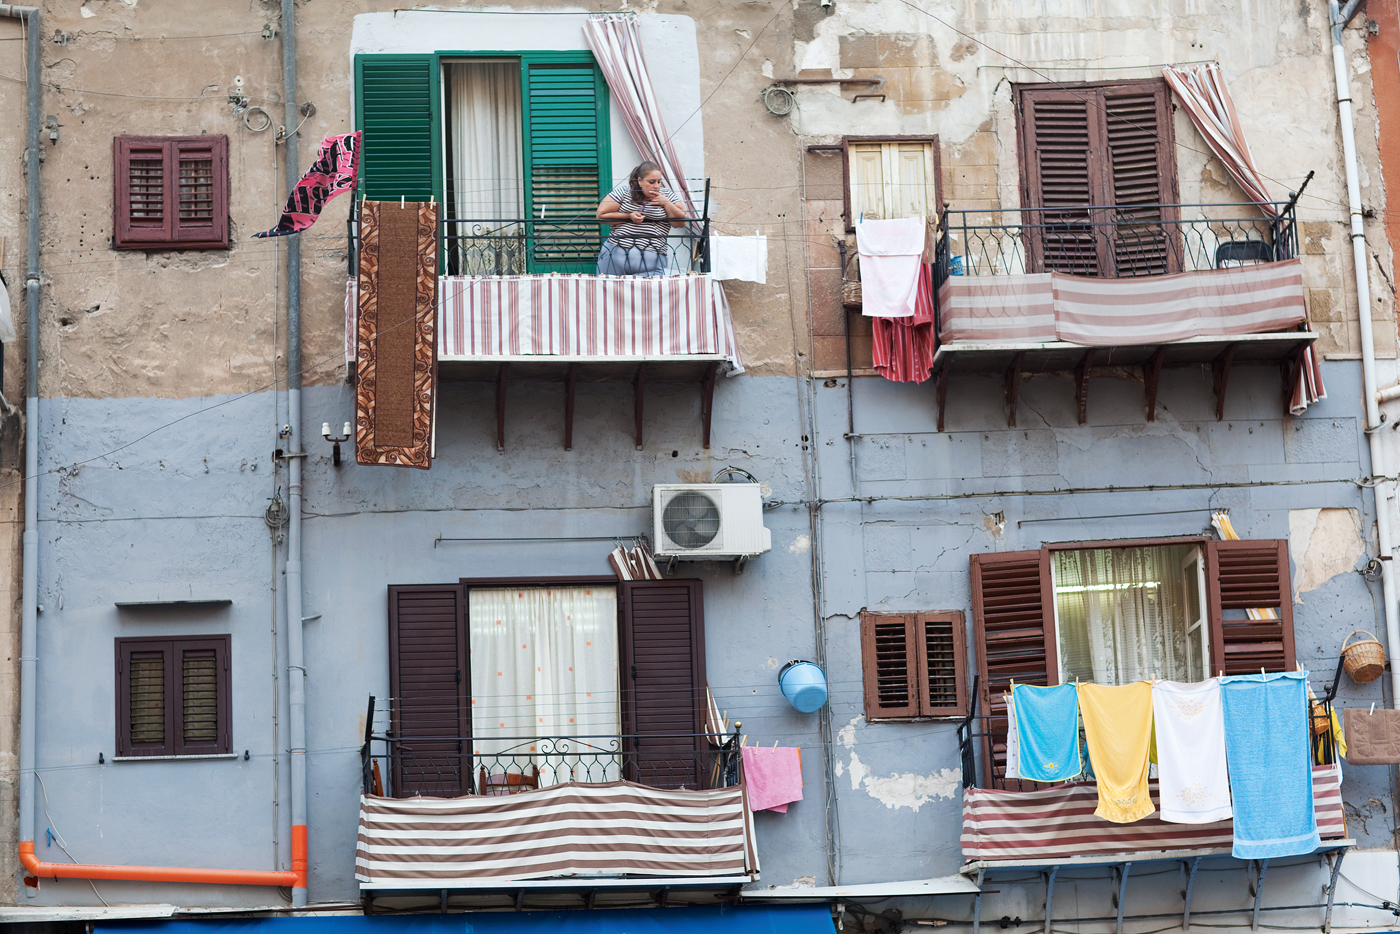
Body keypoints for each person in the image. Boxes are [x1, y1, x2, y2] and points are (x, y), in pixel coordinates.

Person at [595, 162, 688, 276]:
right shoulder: (624, 192)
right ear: (640, 181)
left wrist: (666, 203)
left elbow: (682, 222)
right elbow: (601, 215)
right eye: (651, 182)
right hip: (615, 255)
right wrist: (628, 217)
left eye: (659, 181)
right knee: (610, 287)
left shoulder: (666, 195)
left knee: (649, 288)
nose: (656, 186)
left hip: (652, 260)